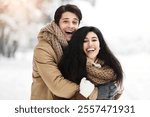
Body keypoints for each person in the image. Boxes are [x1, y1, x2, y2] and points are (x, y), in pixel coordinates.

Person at [31, 4, 118, 100]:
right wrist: (95, 93)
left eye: (74, 22)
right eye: (65, 21)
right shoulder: (44, 49)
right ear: (57, 23)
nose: (70, 26)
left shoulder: (76, 46)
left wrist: (112, 89)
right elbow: (57, 85)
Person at [58, 26, 124, 99]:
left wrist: (117, 92)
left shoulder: (111, 70)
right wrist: (82, 95)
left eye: (94, 40)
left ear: (100, 45)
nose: (90, 44)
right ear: (78, 45)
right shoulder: (70, 68)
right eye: (85, 41)